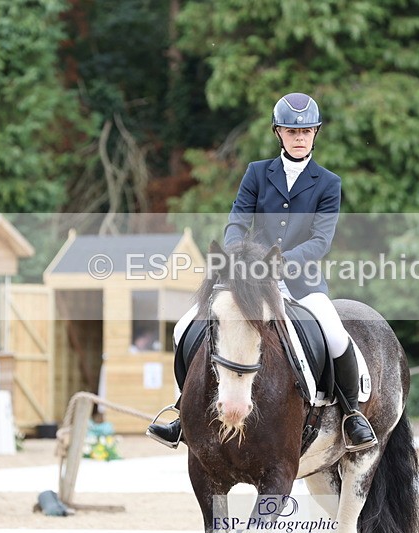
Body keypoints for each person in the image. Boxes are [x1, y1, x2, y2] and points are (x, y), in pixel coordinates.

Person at [147, 92, 376, 451]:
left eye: (306, 132)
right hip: (248, 280)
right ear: (278, 132)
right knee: (183, 327)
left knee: (334, 334)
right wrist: (240, 257)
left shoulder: (328, 183)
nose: (299, 138)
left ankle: (351, 416)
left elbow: (320, 241)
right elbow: (237, 221)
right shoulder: (257, 173)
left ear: (315, 133)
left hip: (301, 283)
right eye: (291, 131)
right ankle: (180, 413)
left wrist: (280, 263)